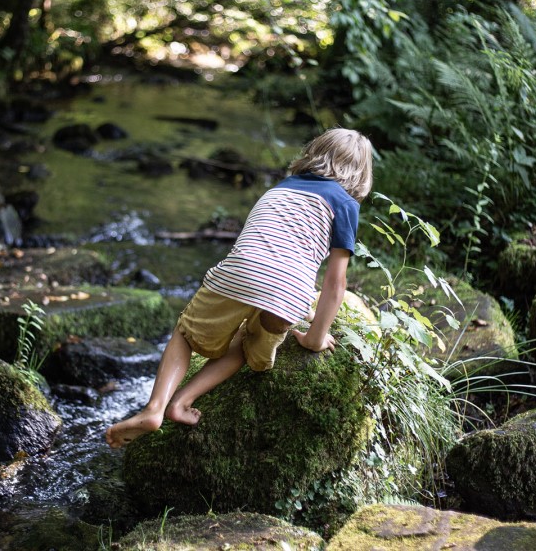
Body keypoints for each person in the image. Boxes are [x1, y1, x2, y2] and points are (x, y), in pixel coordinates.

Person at [105, 127, 373, 449]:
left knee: (185, 334)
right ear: (360, 174)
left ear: (313, 154)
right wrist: (315, 337)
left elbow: (266, 243)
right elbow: (335, 281)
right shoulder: (345, 204)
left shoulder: (282, 188)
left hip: (240, 271)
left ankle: (156, 408)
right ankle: (182, 403)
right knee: (246, 347)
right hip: (288, 296)